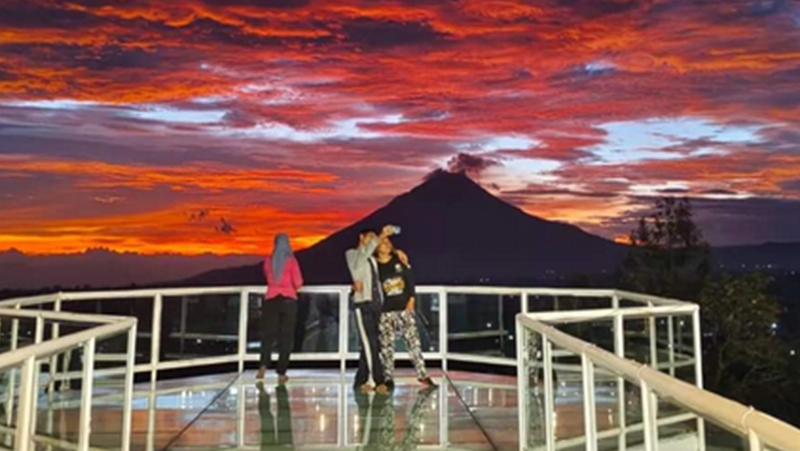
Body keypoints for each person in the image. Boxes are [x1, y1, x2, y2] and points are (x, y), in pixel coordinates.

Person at [375, 237, 436, 388]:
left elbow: (410, 278)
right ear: (376, 248)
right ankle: (388, 377)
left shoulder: (399, 260)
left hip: (404, 309)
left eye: (389, 243)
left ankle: (422, 374)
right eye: (383, 243)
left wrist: (412, 298)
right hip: (385, 311)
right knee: (387, 345)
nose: (387, 245)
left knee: (413, 342)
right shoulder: (374, 265)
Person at [345, 225, 398, 393]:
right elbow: (360, 261)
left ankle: (361, 378)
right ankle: (377, 379)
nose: (373, 240)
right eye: (370, 237)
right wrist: (380, 235)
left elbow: (383, 259)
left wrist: (399, 254)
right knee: (371, 343)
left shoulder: (372, 259)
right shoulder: (352, 254)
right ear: (361, 238)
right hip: (363, 304)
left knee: (370, 343)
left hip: (376, 305)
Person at [260, 233, 303, 382]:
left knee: (268, 335)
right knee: (286, 337)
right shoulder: (291, 261)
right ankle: (281, 372)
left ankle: (263, 366)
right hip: (288, 301)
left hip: (271, 300)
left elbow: (268, 278)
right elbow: (298, 282)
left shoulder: (268, 261)